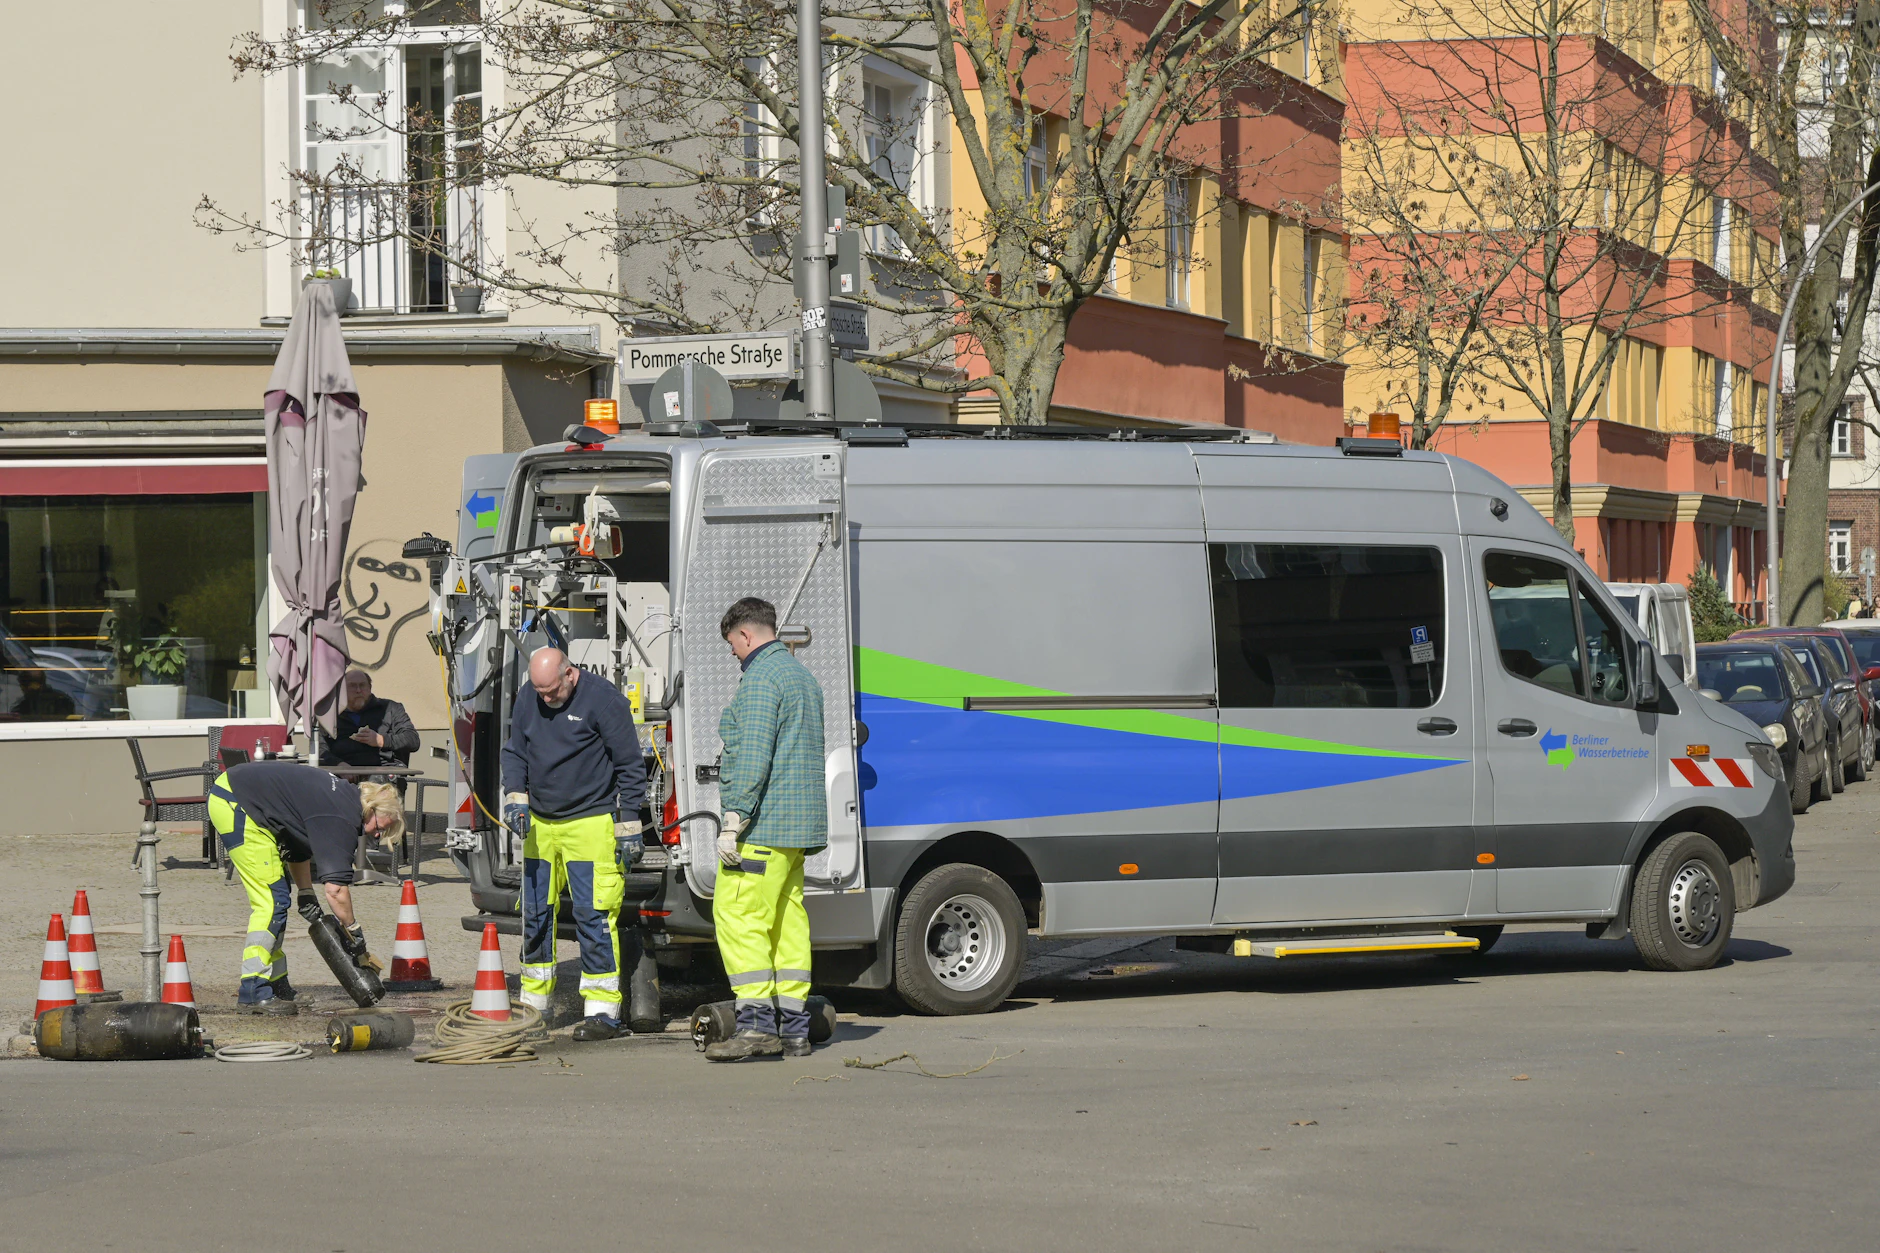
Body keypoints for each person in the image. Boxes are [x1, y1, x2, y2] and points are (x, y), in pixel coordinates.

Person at [501, 647, 646, 1041]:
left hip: (590, 823)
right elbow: (514, 752)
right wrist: (515, 795)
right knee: (535, 916)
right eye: (539, 691)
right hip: (540, 825)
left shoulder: (604, 700)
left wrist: (628, 822)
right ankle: (534, 1007)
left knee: (593, 916)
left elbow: (629, 764)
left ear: (570, 674)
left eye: (552, 691)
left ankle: (603, 1012)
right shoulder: (530, 696)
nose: (546, 699)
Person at [705, 597, 827, 1062]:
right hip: (795, 834)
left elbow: (752, 755)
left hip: (763, 830)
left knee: (739, 919)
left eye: (732, 644)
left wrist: (733, 819)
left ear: (745, 634)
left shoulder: (761, 679)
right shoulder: (801, 677)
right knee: (788, 928)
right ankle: (795, 1030)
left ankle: (755, 1027)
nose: (732, 653)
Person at [206, 760, 404, 1015]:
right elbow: (336, 890)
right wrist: (354, 931)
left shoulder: (342, 800)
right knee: (271, 902)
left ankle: (277, 986)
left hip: (240, 794)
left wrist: (306, 892)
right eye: (380, 828)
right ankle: (253, 990)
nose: (377, 836)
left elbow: (297, 844)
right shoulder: (341, 817)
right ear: (371, 809)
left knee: (279, 900)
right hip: (237, 802)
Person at [321, 669, 420, 769]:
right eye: (352, 686)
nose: (358, 690)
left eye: (362, 685)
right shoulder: (330, 715)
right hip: (344, 771)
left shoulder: (390, 708)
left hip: (385, 769)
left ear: (370, 688)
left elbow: (412, 740)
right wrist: (338, 765)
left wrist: (381, 740)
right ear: (342, 690)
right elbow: (320, 748)